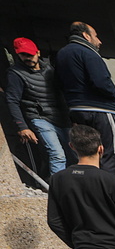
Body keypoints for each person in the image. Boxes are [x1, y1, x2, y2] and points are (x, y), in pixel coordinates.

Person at [55, 22, 115, 174]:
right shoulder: (88, 53)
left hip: (76, 110)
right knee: (111, 155)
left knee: (87, 154)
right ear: (86, 36)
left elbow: (58, 83)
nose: (99, 41)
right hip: (100, 110)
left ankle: (91, 190)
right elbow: (101, 81)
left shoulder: (62, 54)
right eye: (96, 36)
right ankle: (110, 192)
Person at [7, 38, 70, 176]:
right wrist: (22, 127)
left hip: (60, 117)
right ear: (18, 55)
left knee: (72, 152)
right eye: (23, 55)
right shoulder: (16, 73)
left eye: (30, 54)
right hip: (39, 117)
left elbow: (61, 94)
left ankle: (72, 184)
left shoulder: (49, 70)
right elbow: (12, 101)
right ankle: (58, 190)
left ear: (38, 52)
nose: (27, 58)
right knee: (57, 154)